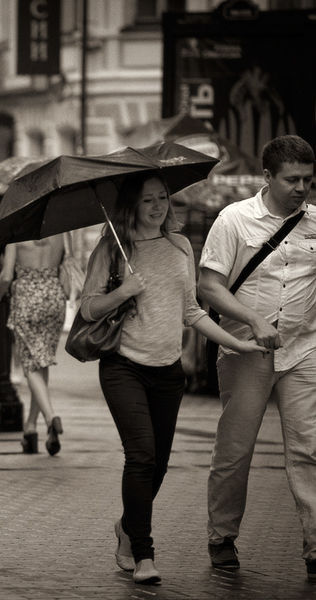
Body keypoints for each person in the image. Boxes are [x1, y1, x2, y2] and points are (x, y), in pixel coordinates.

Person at [79, 173, 265, 585]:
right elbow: (89, 309)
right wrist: (124, 291)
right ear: (132, 205)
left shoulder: (180, 245)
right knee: (141, 456)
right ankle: (144, 553)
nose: (158, 206)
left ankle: (127, 526)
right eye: (148, 200)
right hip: (123, 366)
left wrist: (237, 344)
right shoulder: (113, 247)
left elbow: (192, 311)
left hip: (167, 371)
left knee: (158, 465)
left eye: (162, 198)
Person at [198, 135, 316, 580]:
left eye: (308, 179)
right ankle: (222, 535)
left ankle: (315, 545)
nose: (302, 188)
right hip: (245, 348)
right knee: (236, 449)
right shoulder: (235, 220)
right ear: (268, 178)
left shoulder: (314, 223)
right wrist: (252, 319)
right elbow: (208, 286)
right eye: (292, 180)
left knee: (308, 449)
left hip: (304, 351)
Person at [0, 235, 68, 455]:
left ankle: (50, 417)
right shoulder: (60, 233)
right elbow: (66, 262)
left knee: (30, 366)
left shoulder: (17, 236)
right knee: (42, 363)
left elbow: (5, 277)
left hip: (27, 299)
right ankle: (31, 428)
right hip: (54, 297)